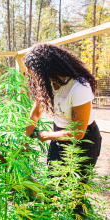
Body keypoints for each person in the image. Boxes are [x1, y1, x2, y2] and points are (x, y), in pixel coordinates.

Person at [22, 43, 102, 212]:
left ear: (47, 69)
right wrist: (22, 142)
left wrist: (46, 135)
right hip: (59, 136)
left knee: (74, 194)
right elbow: (34, 116)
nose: (33, 79)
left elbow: (78, 132)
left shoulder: (79, 87)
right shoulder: (47, 84)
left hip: (85, 141)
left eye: (34, 75)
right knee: (53, 188)